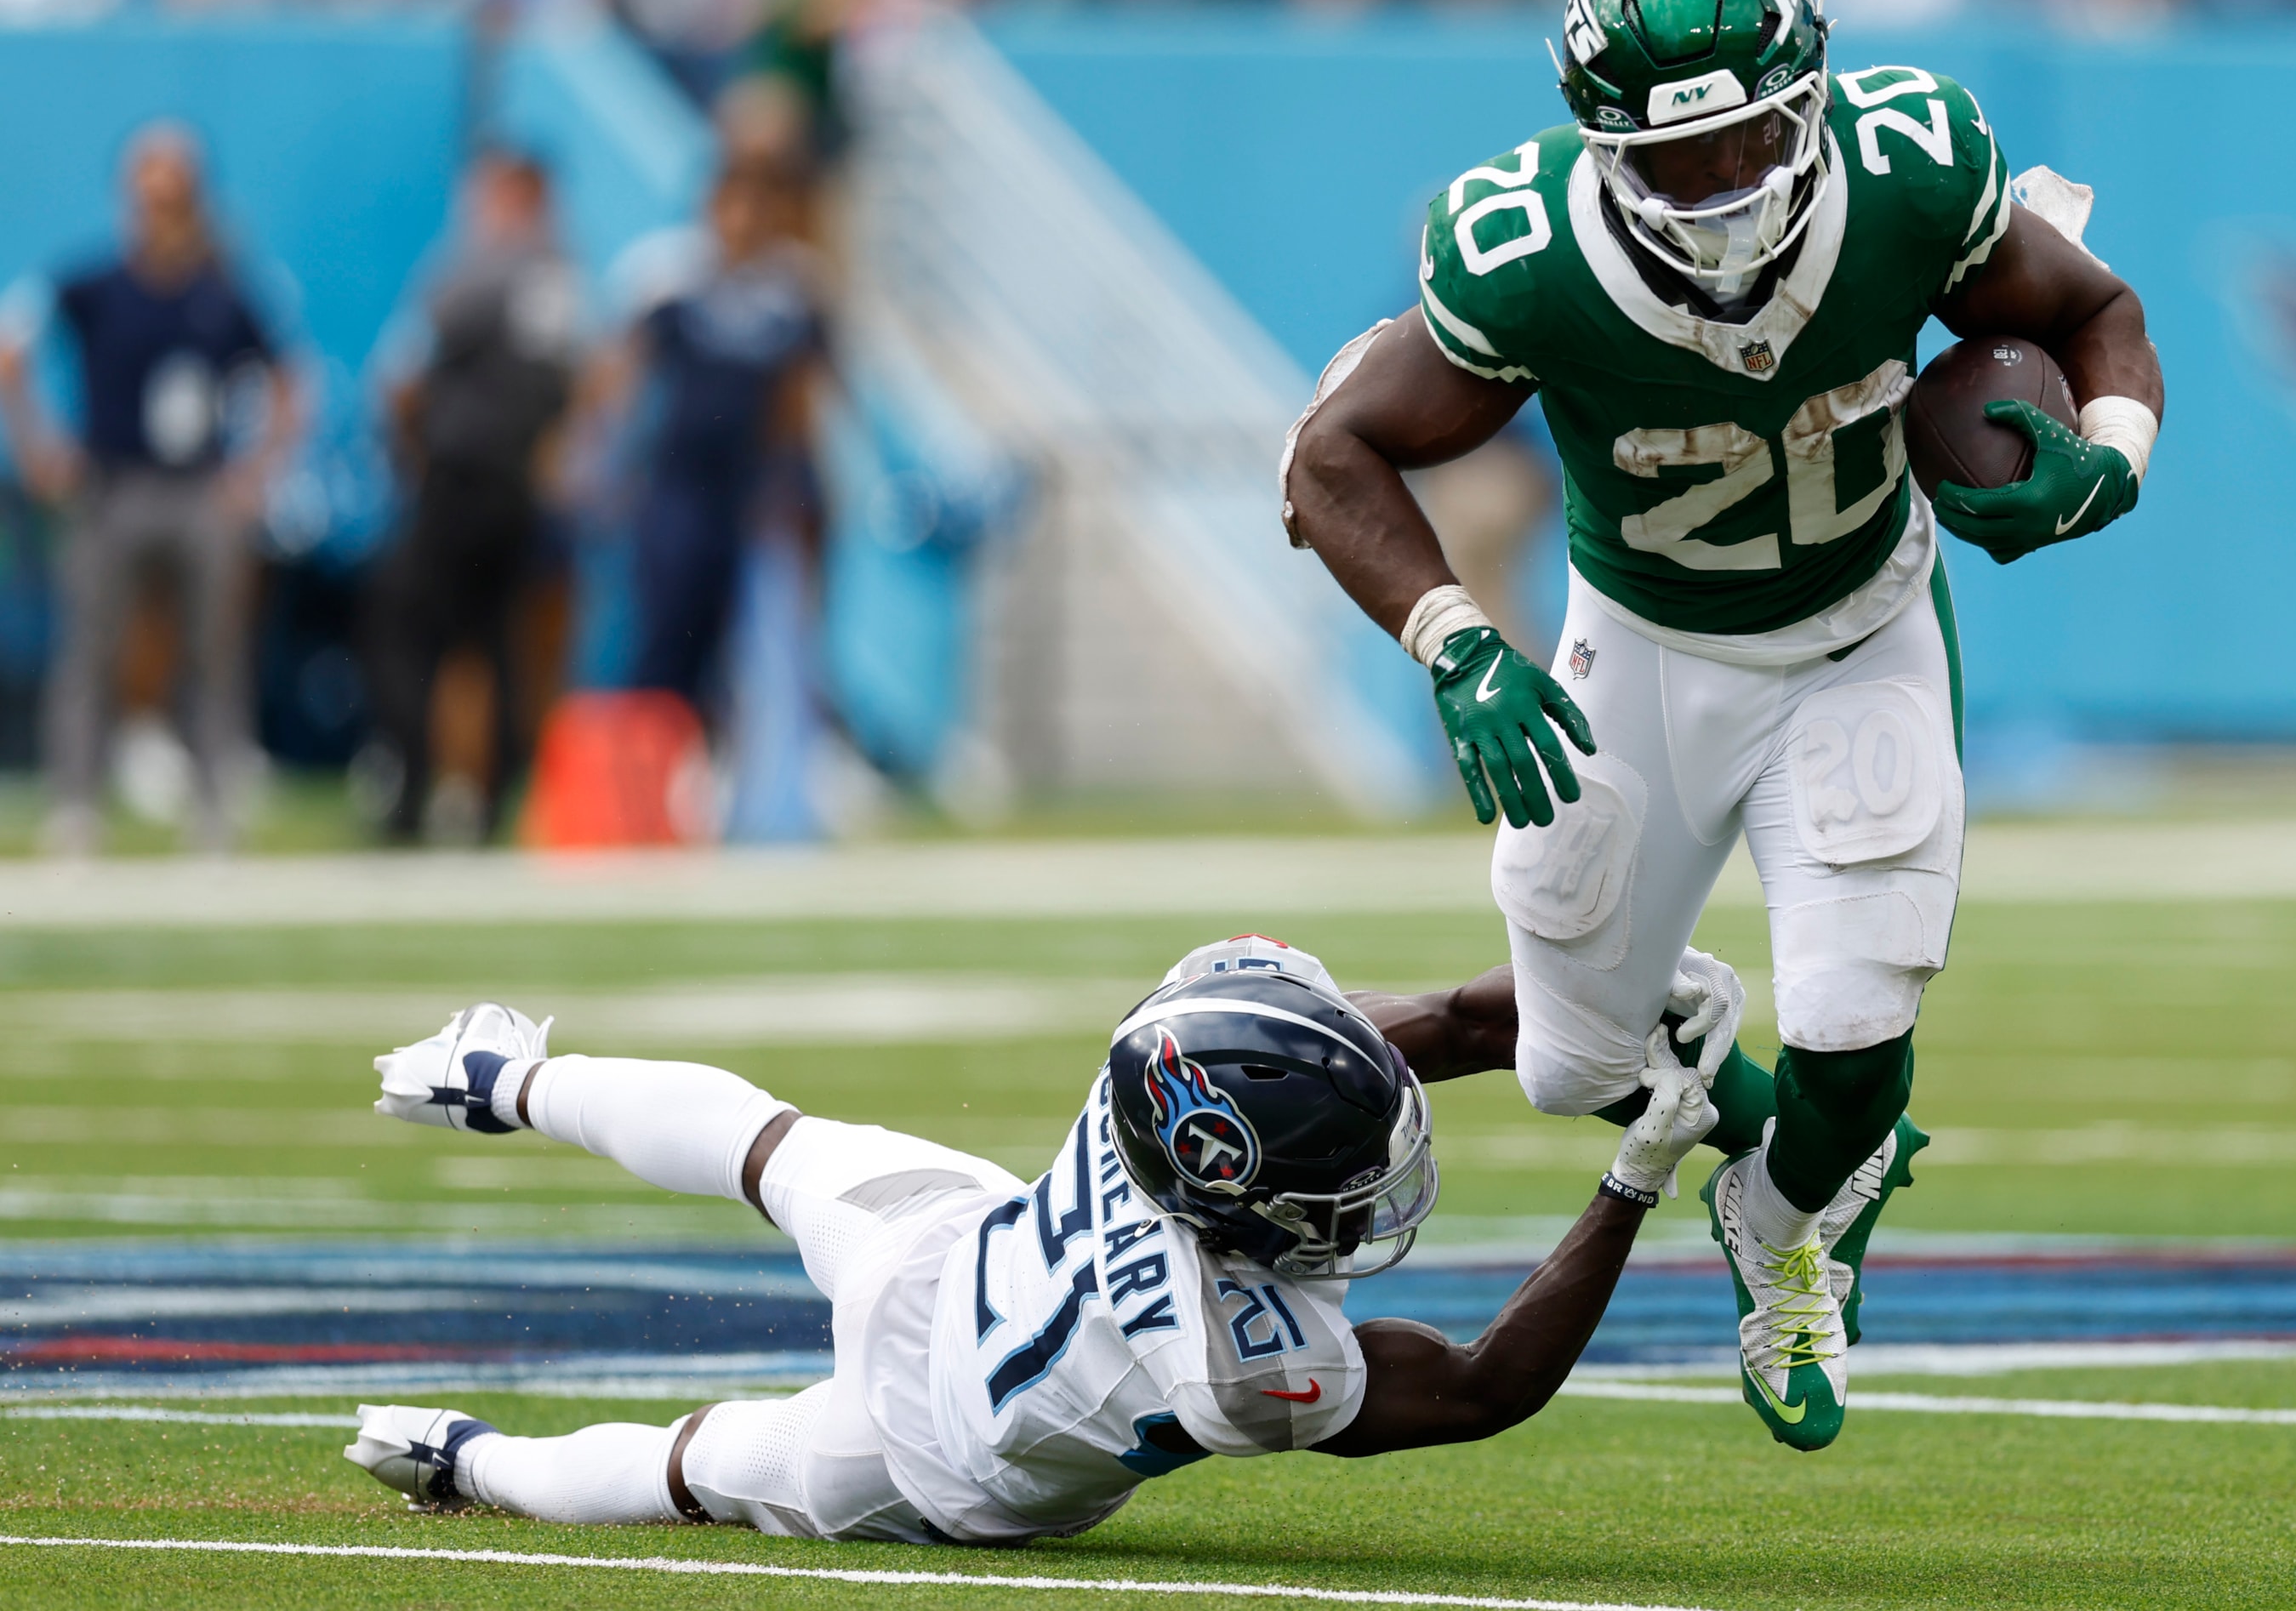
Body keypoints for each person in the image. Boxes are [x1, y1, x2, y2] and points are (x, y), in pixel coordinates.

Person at [1283, 0, 2165, 1449]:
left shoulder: (1912, 168)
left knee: (1853, 1024)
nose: (1722, 191)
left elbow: (2094, 313)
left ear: (1811, 94)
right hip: (1643, 647)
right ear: (1599, 145)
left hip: (1856, 635)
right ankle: (1711, 1061)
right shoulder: (1526, 251)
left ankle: (1786, 1213)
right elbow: (1330, 455)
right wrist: (1456, 640)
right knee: (1570, 1066)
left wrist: (2107, 465)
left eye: (1751, 142)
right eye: (1676, 161)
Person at [345, 936, 1728, 1541]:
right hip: (943, 1456)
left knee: (768, 1143)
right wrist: (1634, 1174)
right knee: (691, 1467)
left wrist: (1611, 992)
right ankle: (475, 1459)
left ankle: (498, 1081)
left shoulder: (1166, 1052)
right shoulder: (1247, 1362)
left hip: (951, 1248)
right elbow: (1488, 1386)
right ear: (1237, 1206)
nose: (1365, 1203)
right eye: (1331, 1195)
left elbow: (1423, 1030)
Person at [0, 124, 297, 855]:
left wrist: (256, 471)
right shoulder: (93, 284)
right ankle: (77, 802)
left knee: (214, 652)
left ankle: (213, 806)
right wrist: (39, 446)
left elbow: (288, 377)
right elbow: (13, 352)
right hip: (114, 483)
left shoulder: (223, 292)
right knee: (91, 651)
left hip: (199, 488)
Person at [364, 150, 584, 844]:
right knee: (493, 643)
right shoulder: (562, 279)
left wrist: (413, 456)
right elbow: (578, 384)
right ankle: (488, 800)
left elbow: (399, 378)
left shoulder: (473, 274)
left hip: (458, 477)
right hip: (517, 487)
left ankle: (411, 793)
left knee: (408, 634)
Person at [578, 154, 829, 717]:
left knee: (743, 641)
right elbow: (616, 376)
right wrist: (601, 464)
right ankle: (648, 767)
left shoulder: (792, 289)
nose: (745, 220)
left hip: (749, 490)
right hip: (674, 483)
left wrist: (793, 481)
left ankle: (710, 772)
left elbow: (798, 400)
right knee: (667, 628)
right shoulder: (667, 275)